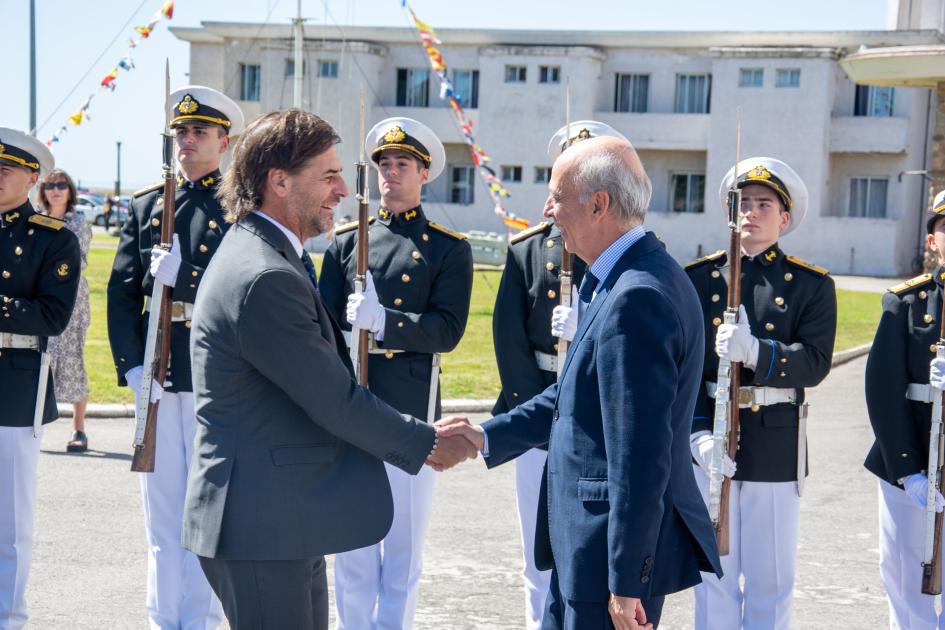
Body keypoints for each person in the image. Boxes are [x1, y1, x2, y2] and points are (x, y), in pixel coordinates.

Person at [182, 108, 476, 630]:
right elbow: (331, 397)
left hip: (281, 515)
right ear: (278, 181)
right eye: (328, 175)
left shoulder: (269, 253)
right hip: (260, 522)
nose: (343, 188)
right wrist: (426, 443)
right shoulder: (264, 275)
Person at [439, 135, 722, 629]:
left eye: (556, 196)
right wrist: (485, 436)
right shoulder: (622, 279)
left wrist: (627, 579)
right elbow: (573, 397)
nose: (547, 210)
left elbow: (641, 455)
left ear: (599, 204)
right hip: (584, 552)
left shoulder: (638, 297)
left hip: (605, 564)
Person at [320, 116, 474, 629]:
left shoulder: (447, 248)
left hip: (409, 407)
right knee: (353, 550)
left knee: (402, 552)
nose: (391, 172)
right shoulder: (347, 243)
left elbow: (448, 330)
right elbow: (320, 329)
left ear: (424, 173)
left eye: (402, 164)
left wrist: (386, 322)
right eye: (384, 164)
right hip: (352, 405)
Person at [106, 85, 243, 629]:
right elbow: (119, 292)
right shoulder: (147, 205)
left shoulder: (239, 205)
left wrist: (184, 276)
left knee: (208, 513)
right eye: (180, 132)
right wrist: (134, 367)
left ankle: (203, 622)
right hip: (158, 370)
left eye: (199, 132)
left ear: (223, 141)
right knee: (162, 520)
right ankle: (165, 621)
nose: (187, 140)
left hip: (216, 370)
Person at [684, 158, 837, 630]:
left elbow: (814, 362)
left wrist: (757, 352)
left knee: (771, 580)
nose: (750, 212)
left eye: (763, 204)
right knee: (714, 575)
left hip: (774, 442)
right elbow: (680, 370)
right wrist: (695, 436)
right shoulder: (699, 278)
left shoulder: (811, 284)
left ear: (784, 219)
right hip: (710, 439)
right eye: (742, 203)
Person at [493, 121, 631, 629]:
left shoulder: (619, 254)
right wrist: (541, 416)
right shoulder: (528, 251)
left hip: (593, 421)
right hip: (540, 408)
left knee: (584, 553)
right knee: (538, 554)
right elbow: (508, 341)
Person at [0, 127, 81, 629]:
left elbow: (52, 317)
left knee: (10, 520)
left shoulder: (53, 239)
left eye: (4, 170)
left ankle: (9, 615)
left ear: (32, 177)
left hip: (14, 379)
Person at [865, 189, 945, 628]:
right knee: (903, 580)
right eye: (944, 226)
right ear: (932, 240)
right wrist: (907, 469)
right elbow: (882, 389)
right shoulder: (906, 302)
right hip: (908, 465)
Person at [38, 169, 92, 452]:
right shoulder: (33, 220)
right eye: (50, 185)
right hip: (38, 300)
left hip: (72, 302)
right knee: (37, 363)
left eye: (62, 185)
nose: (56, 190)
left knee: (73, 361)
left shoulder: (79, 223)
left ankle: (79, 429)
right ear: (43, 190)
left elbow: (77, 262)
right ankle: (34, 425)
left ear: (70, 191)